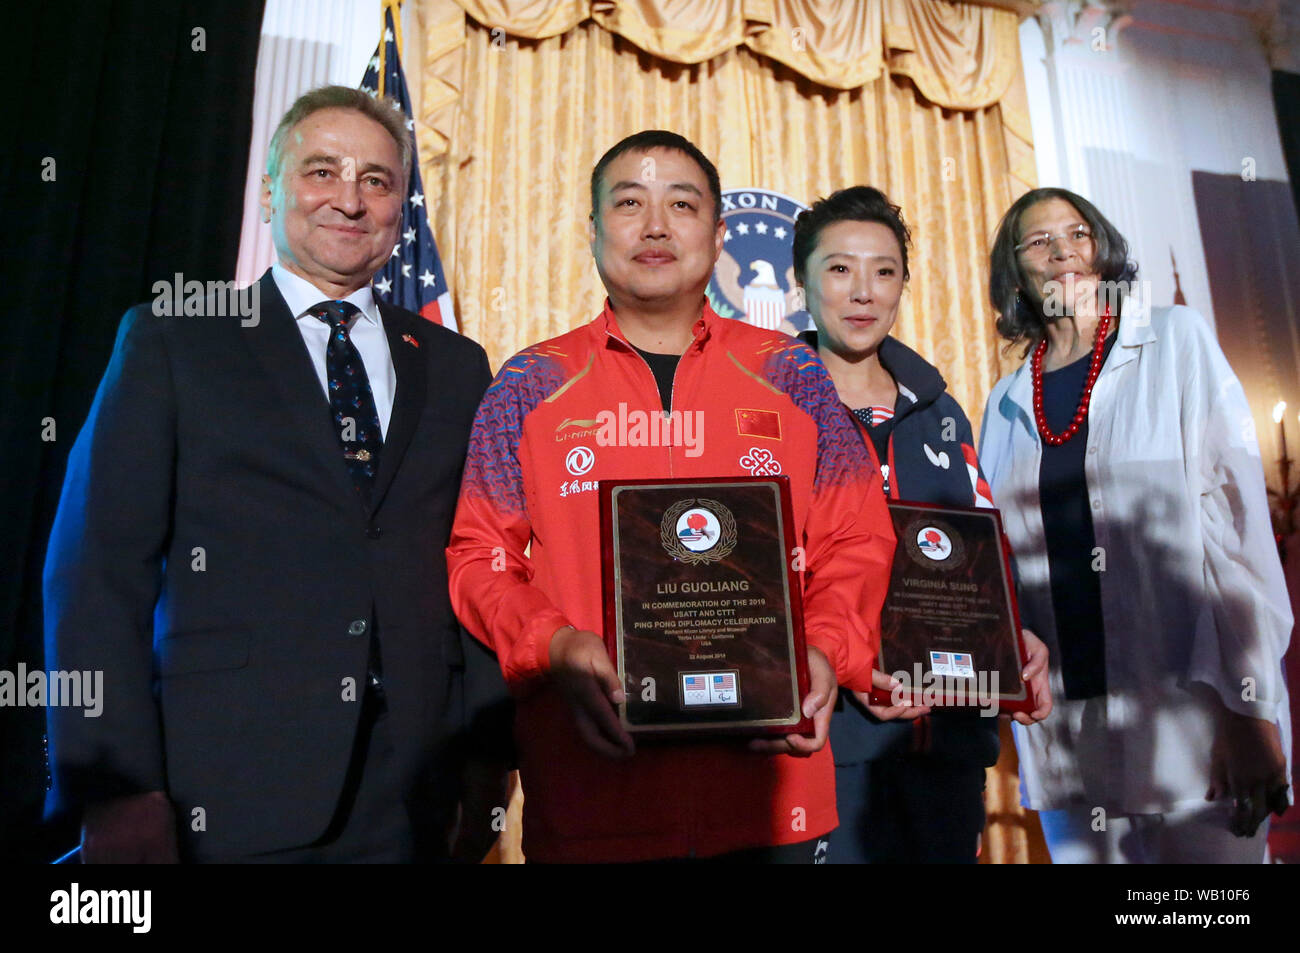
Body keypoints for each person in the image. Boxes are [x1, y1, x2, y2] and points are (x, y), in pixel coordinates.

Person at [43, 85, 508, 863]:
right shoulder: (173, 341)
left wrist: (489, 759)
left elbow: (476, 561)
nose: (350, 201)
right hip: (221, 791)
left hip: (414, 797)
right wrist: (113, 785)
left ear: (401, 206)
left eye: (377, 180)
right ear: (270, 191)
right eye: (322, 170)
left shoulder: (459, 368)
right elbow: (95, 574)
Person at [446, 131, 897, 863]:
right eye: (630, 203)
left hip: (772, 796)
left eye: (680, 204)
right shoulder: (527, 383)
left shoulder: (793, 374)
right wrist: (552, 647)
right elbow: (478, 556)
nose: (655, 225)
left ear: (718, 235)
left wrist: (824, 649)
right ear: (593, 233)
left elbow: (858, 535)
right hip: (593, 799)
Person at [978, 186, 1292, 863]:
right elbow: (1004, 566)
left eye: (1078, 232)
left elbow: (1238, 538)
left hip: (1192, 724)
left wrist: (1250, 709)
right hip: (1069, 735)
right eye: (1039, 240)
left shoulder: (1175, 342)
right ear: (1015, 271)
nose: (1062, 248)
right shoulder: (1001, 402)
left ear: (1103, 249)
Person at [792, 186, 1052, 863]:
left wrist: (1012, 636)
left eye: (884, 271)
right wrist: (848, 666)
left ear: (904, 283)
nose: (863, 292)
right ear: (802, 280)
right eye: (840, 268)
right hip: (833, 742)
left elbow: (976, 550)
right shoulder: (767, 410)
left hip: (949, 742)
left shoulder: (942, 413)